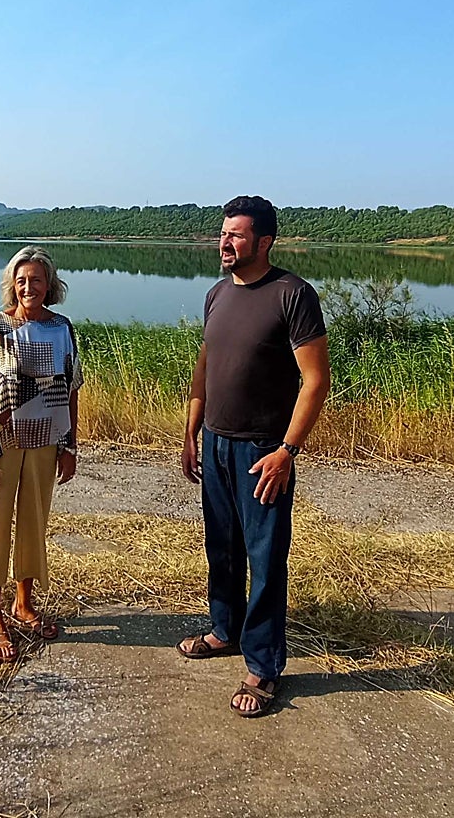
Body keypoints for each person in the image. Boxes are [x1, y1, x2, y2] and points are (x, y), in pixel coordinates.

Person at [177, 195, 331, 717]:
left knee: (265, 559)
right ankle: (225, 629)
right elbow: (206, 363)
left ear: (264, 242)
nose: (225, 242)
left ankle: (263, 665)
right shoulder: (217, 294)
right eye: (223, 233)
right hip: (216, 442)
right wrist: (191, 428)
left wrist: (288, 450)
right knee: (220, 546)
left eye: (236, 235)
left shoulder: (292, 295)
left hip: (265, 450)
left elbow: (316, 381)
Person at [0, 245, 83, 663]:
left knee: (33, 523)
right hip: (1, 443)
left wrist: (70, 445)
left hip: (46, 442)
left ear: (51, 285)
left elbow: (70, 390)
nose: (29, 286)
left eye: (38, 279)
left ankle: (23, 603)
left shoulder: (62, 328)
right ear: (12, 285)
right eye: (22, 279)